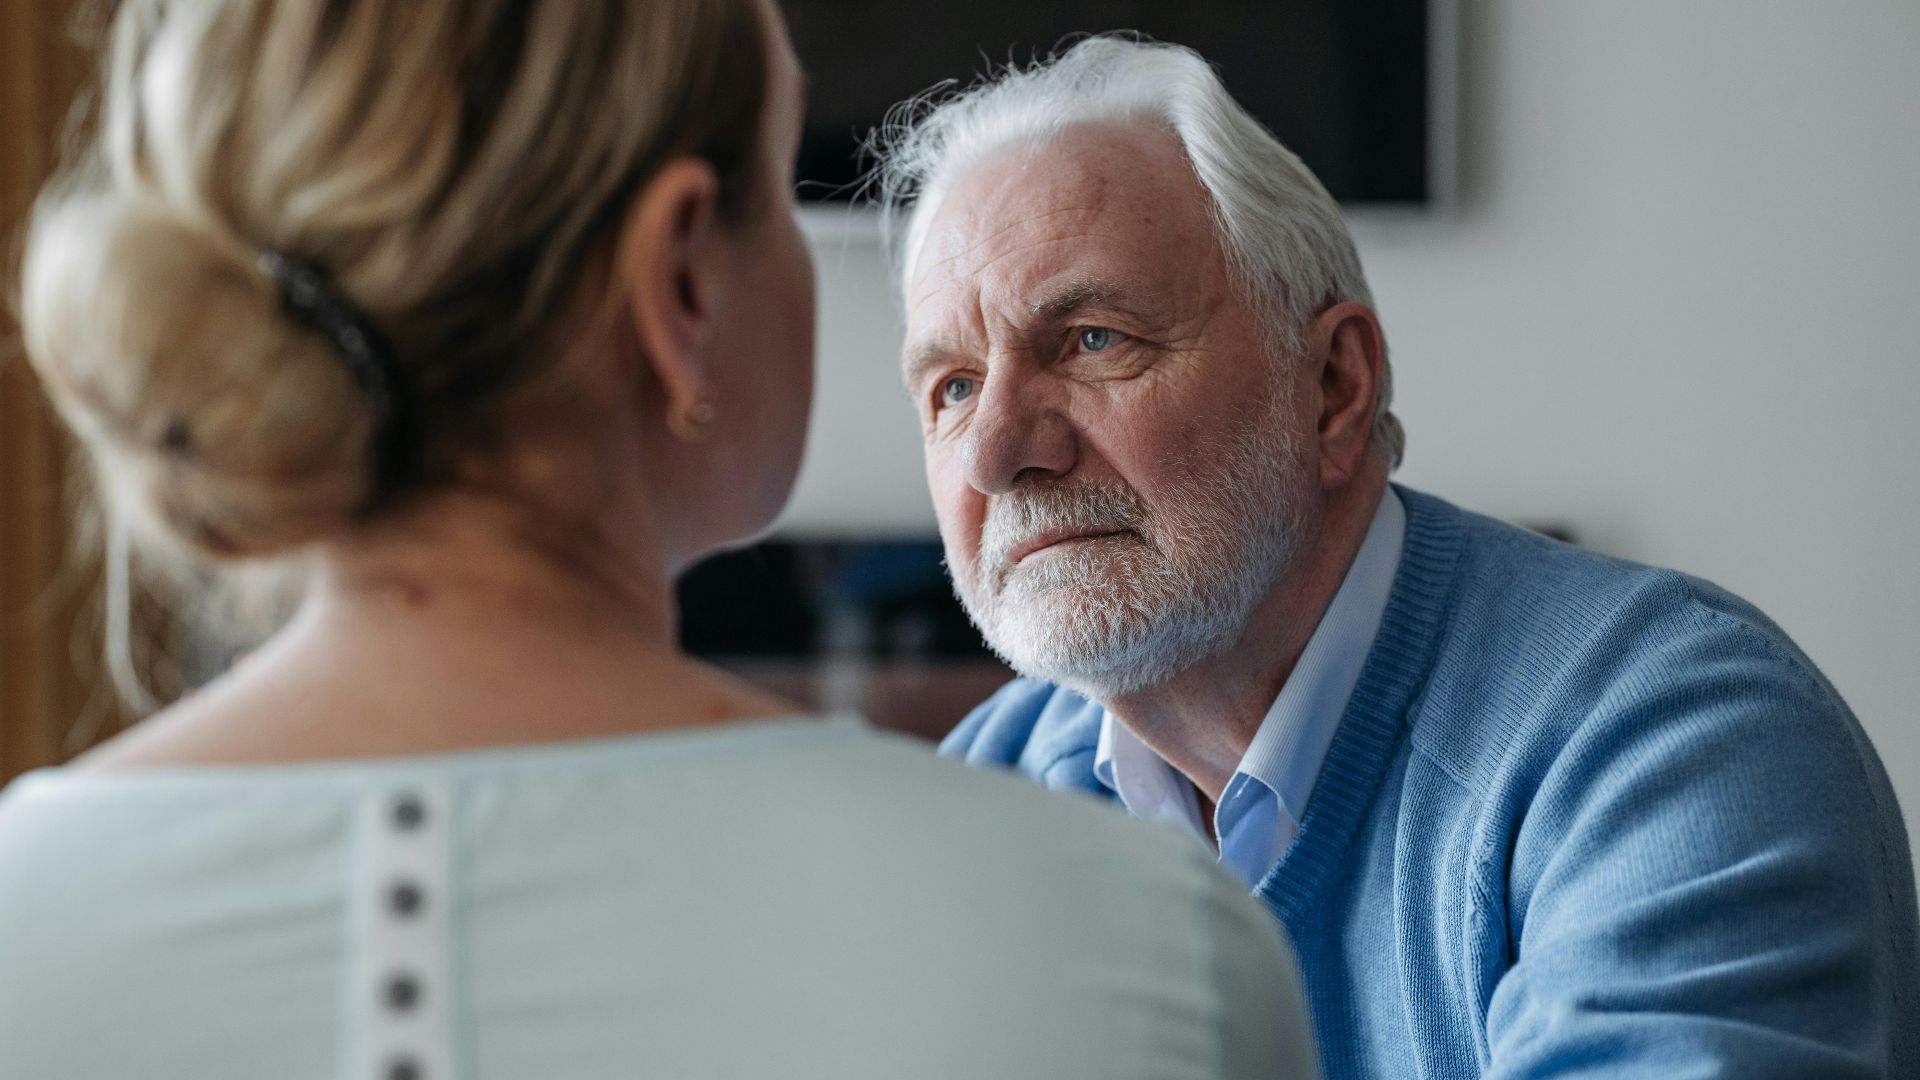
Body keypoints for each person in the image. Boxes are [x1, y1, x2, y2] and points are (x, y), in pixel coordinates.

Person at [0, 6, 1318, 1078]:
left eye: (1092, 341)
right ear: (681, 278)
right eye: (786, 179)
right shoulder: (1143, 954)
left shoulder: (24, 919)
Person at [877, 35, 1920, 1078]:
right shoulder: (993, 789)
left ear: (1333, 385)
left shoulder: (1673, 746)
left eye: (1094, 339)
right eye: (953, 388)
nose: (999, 453)